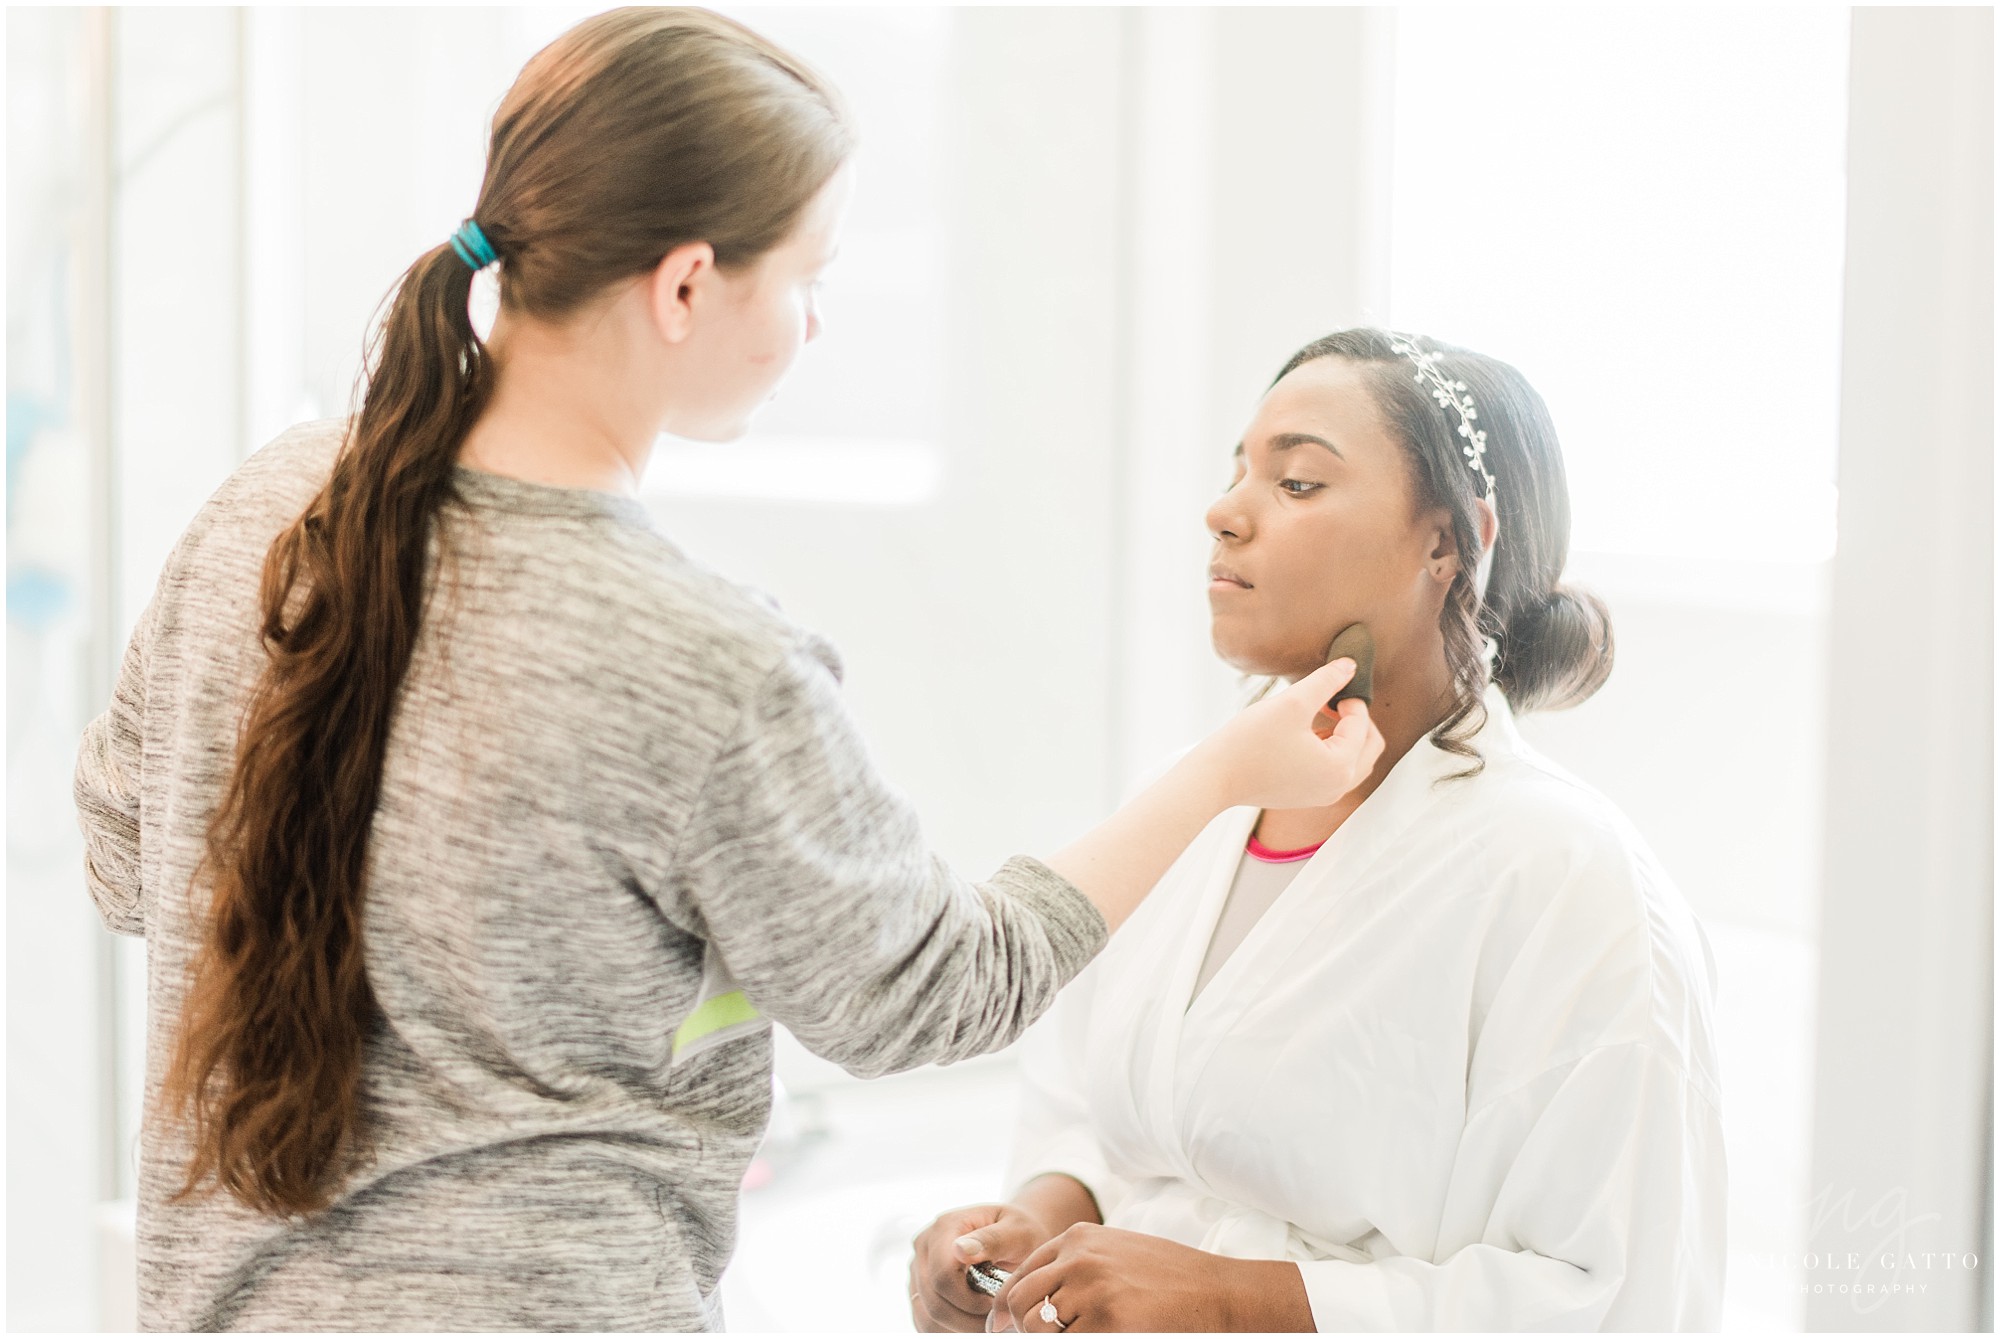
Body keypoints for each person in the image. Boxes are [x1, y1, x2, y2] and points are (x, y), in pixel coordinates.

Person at [70, 12, 1384, 1332]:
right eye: (809, 275)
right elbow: (933, 989)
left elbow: (131, 859)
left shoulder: (273, 505)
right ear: (687, 285)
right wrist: (1225, 771)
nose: (816, 325)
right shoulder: (699, 660)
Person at [909, 328, 1727, 1332]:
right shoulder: (1194, 807)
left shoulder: (1565, 877)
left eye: (1294, 481)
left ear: (1447, 541)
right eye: (1235, 472)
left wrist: (1232, 1302)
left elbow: (1610, 1296)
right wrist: (1035, 1219)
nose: (1222, 512)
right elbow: (1088, 1107)